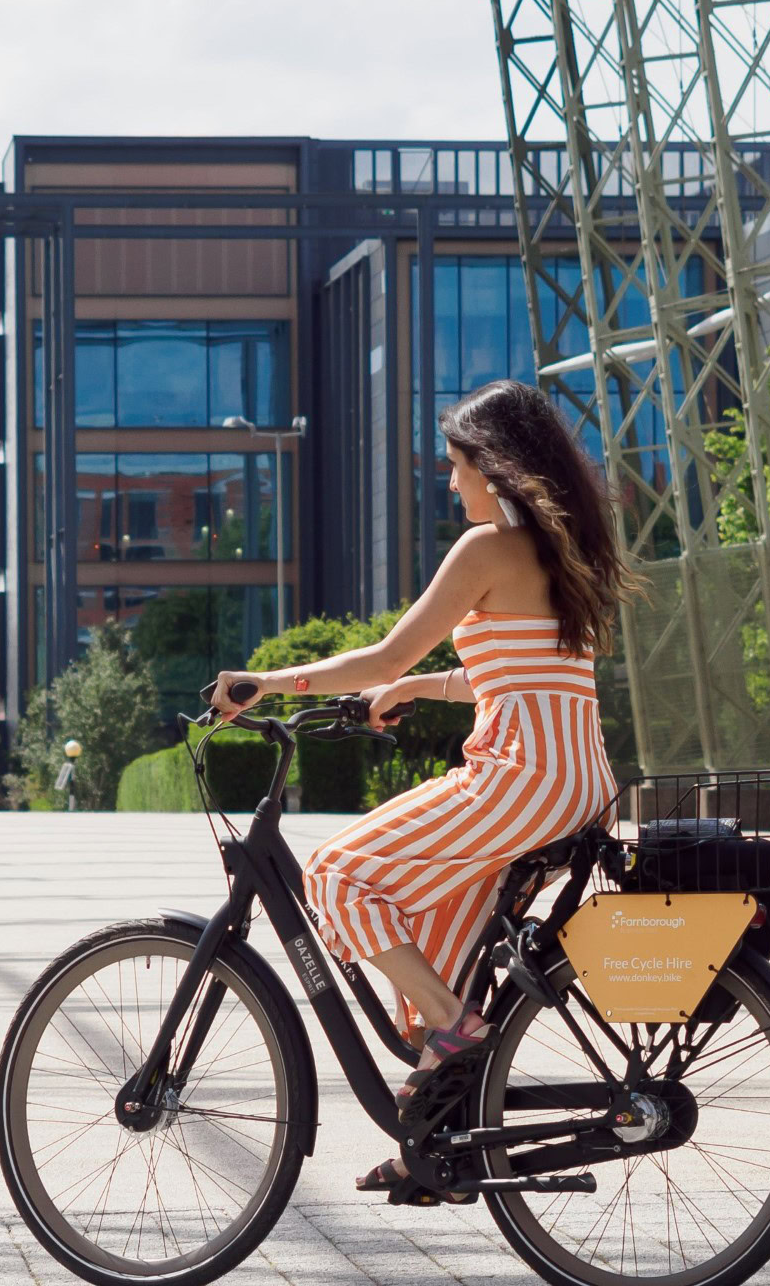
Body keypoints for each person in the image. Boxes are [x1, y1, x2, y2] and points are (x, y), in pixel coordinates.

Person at [208, 378, 631, 1202]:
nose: (450, 482)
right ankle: (434, 1145)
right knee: (443, 941)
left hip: (521, 780)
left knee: (337, 874)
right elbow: (510, 679)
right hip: (583, 784)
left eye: (457, 464)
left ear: (494, 467)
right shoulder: (558, 552)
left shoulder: (483, 550)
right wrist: (418, 693)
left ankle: (459, 1035)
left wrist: (265, 682)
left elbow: (379, 659)